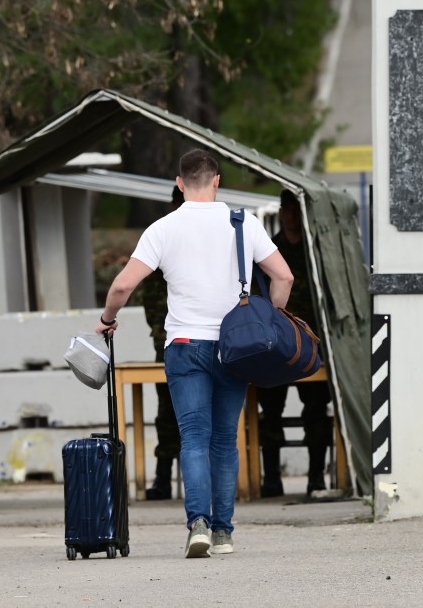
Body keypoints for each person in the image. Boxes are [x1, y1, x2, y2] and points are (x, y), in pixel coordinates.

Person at [94, 149, 293, 558]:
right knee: (225, 440)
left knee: (194, 439)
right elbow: (283, 276)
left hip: (184, 347)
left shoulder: (162, 228)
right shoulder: (243, 223)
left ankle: (197, 524)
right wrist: (271, 320)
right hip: (235, 349)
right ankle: (223, 533)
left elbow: (120, 287)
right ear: (217, 181)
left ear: (181, 183)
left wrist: (107, 318)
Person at [256, 190, 332, 498]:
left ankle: (316, 478)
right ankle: (272, 479)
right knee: (270, 411)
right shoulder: (269, 249)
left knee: (316, 409)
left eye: (295, 209)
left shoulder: (316, 251)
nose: (291, 215)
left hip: (309, 341)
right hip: (276, 344)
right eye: (286, 209)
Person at [140, 185, 185, 500]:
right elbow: (151, 294)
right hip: (167, 336)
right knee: (166, 409)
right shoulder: (162, 236)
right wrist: (160, 328)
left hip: (197, 333)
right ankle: (162, 477)